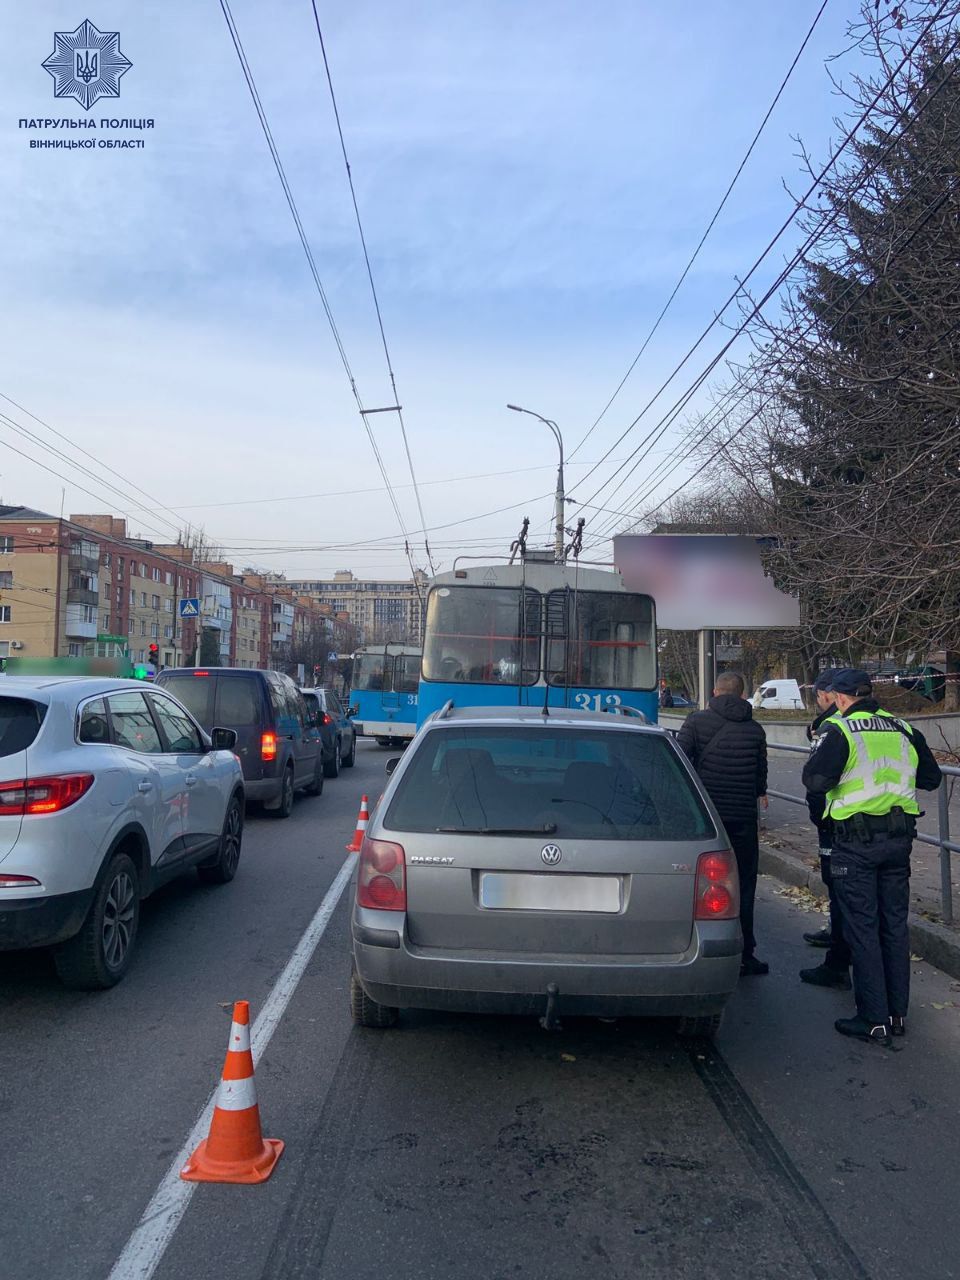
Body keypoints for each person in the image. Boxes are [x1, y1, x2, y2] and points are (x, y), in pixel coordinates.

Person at [802, 669, 941, 1045]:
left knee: (863, 928)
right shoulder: (903, 728)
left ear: (841, 698)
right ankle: (896, 1015)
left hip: (856, 843)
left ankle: (873, 1018)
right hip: (898, 841)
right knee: (894, 927)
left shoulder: (840, 729)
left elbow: (815, 781)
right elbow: (931, 778)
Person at [676, 670, 769, 976]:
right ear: (742, 695)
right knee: (744, 883)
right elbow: (760, 775)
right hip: (742, 818)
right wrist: (758, 794)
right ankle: (746, 952)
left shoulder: (695, 722)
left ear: (715, 692)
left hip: (706, 817)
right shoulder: (755, 730)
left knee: (701, 883)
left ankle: (692, 944)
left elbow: (680, 764)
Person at [799, 669, 852, 990]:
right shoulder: (886, 723)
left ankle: (839, 956)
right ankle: (839, 936)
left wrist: (819, 817)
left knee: (839, 886)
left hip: (839, 820)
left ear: (827, 695)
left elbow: (817, 780)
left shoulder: (834, 727)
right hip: (878, 826)